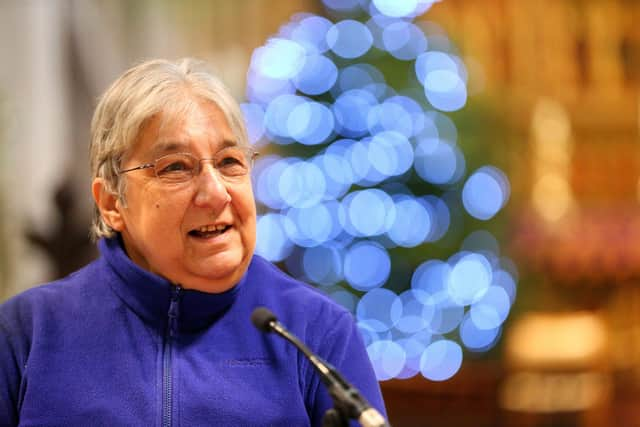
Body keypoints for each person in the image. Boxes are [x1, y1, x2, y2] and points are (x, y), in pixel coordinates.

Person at [0, 58, 386, 426]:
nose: (216, 194)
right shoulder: (26, 332)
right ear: (112, 203)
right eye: (175, 168)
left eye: (229, 162)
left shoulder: (316, 332)